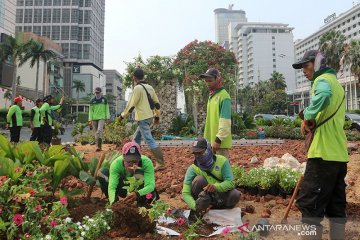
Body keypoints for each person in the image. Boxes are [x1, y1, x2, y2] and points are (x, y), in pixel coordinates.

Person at [292, 50, 348, 240]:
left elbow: (323, 96)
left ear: (318, 64)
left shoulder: (321, 80)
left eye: (306, 66)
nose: (304, 71)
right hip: (339, 156)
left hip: (322, 155)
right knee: (336, 207)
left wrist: (308, 114)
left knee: (309, 205)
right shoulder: (338, 86)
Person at [119, 68, 165, 171]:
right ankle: (135, 161)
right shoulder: (150, 88)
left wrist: (122, 116)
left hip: (142, 118)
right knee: (136, 139)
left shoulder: (137, 88)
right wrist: (157, 116)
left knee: (149, 139)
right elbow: (157, 103)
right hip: (149, 117)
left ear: (134, 77)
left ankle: (161, 163)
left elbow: (131, 105)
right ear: (143, 76)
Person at [181, 138, 240, 214]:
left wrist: (216, 187)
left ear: (208, 150)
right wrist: (195, 206)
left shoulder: (222, 161)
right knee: (198, 180)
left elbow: (231, 183)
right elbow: (185, 193)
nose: (197, 156)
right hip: (205, 198)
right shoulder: (193, 168)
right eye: (195, 154)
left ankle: (223, 209)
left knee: (235, 194)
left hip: (221, 194)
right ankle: (202, 207)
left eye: (200, 153)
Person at [98, 141, 159, 205]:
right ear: (123, 157)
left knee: (150, 199)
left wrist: (137, 194)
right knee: (102, 172)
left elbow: (150, 185)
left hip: (139, 188)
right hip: (124, 187)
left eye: (135, 161)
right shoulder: (116, 164)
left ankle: (142, 203)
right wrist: (113, 203)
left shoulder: (146, 162)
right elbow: (112, 187)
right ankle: (114, 202)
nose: (132, 165)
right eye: (129, 162)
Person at [199, 68, 232, 159]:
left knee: (222, 169)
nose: (208, 83)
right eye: (206, 81)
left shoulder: (224, 97)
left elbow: (225, 121)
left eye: (210, 80)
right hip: (211, 142)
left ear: (218, 79)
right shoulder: (212, 96)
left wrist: (218, 139)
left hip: (220, 143)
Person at [88, 87, 110, 152]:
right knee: (96, 133)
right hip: (94, 118)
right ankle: (98, 147)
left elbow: (107, 109)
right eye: (95, 93)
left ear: (101, 93)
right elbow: (90, 111)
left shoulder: (104, 100)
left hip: (101, 118)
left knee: (99, 131)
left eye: (98, 92)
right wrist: (90, 119)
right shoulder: (92, 100)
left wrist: (107, 117)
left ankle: (97, 146)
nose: (96, 94)